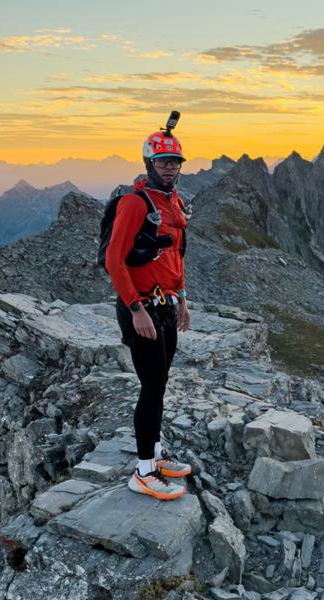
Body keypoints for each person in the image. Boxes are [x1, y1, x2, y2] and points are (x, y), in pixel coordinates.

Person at [105, 128, 194, 500]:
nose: (170, 168)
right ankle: (142, 471)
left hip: (166, 307)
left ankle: (155, 454)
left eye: (174, 161)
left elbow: (175, 255)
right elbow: (114, 260)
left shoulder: (172, 202)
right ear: (149, 162)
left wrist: (183, 300)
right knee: (151, 385)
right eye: (163, 162)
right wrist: (135, 308)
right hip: (141, 309)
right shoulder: (135, 203)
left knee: (160, 383)